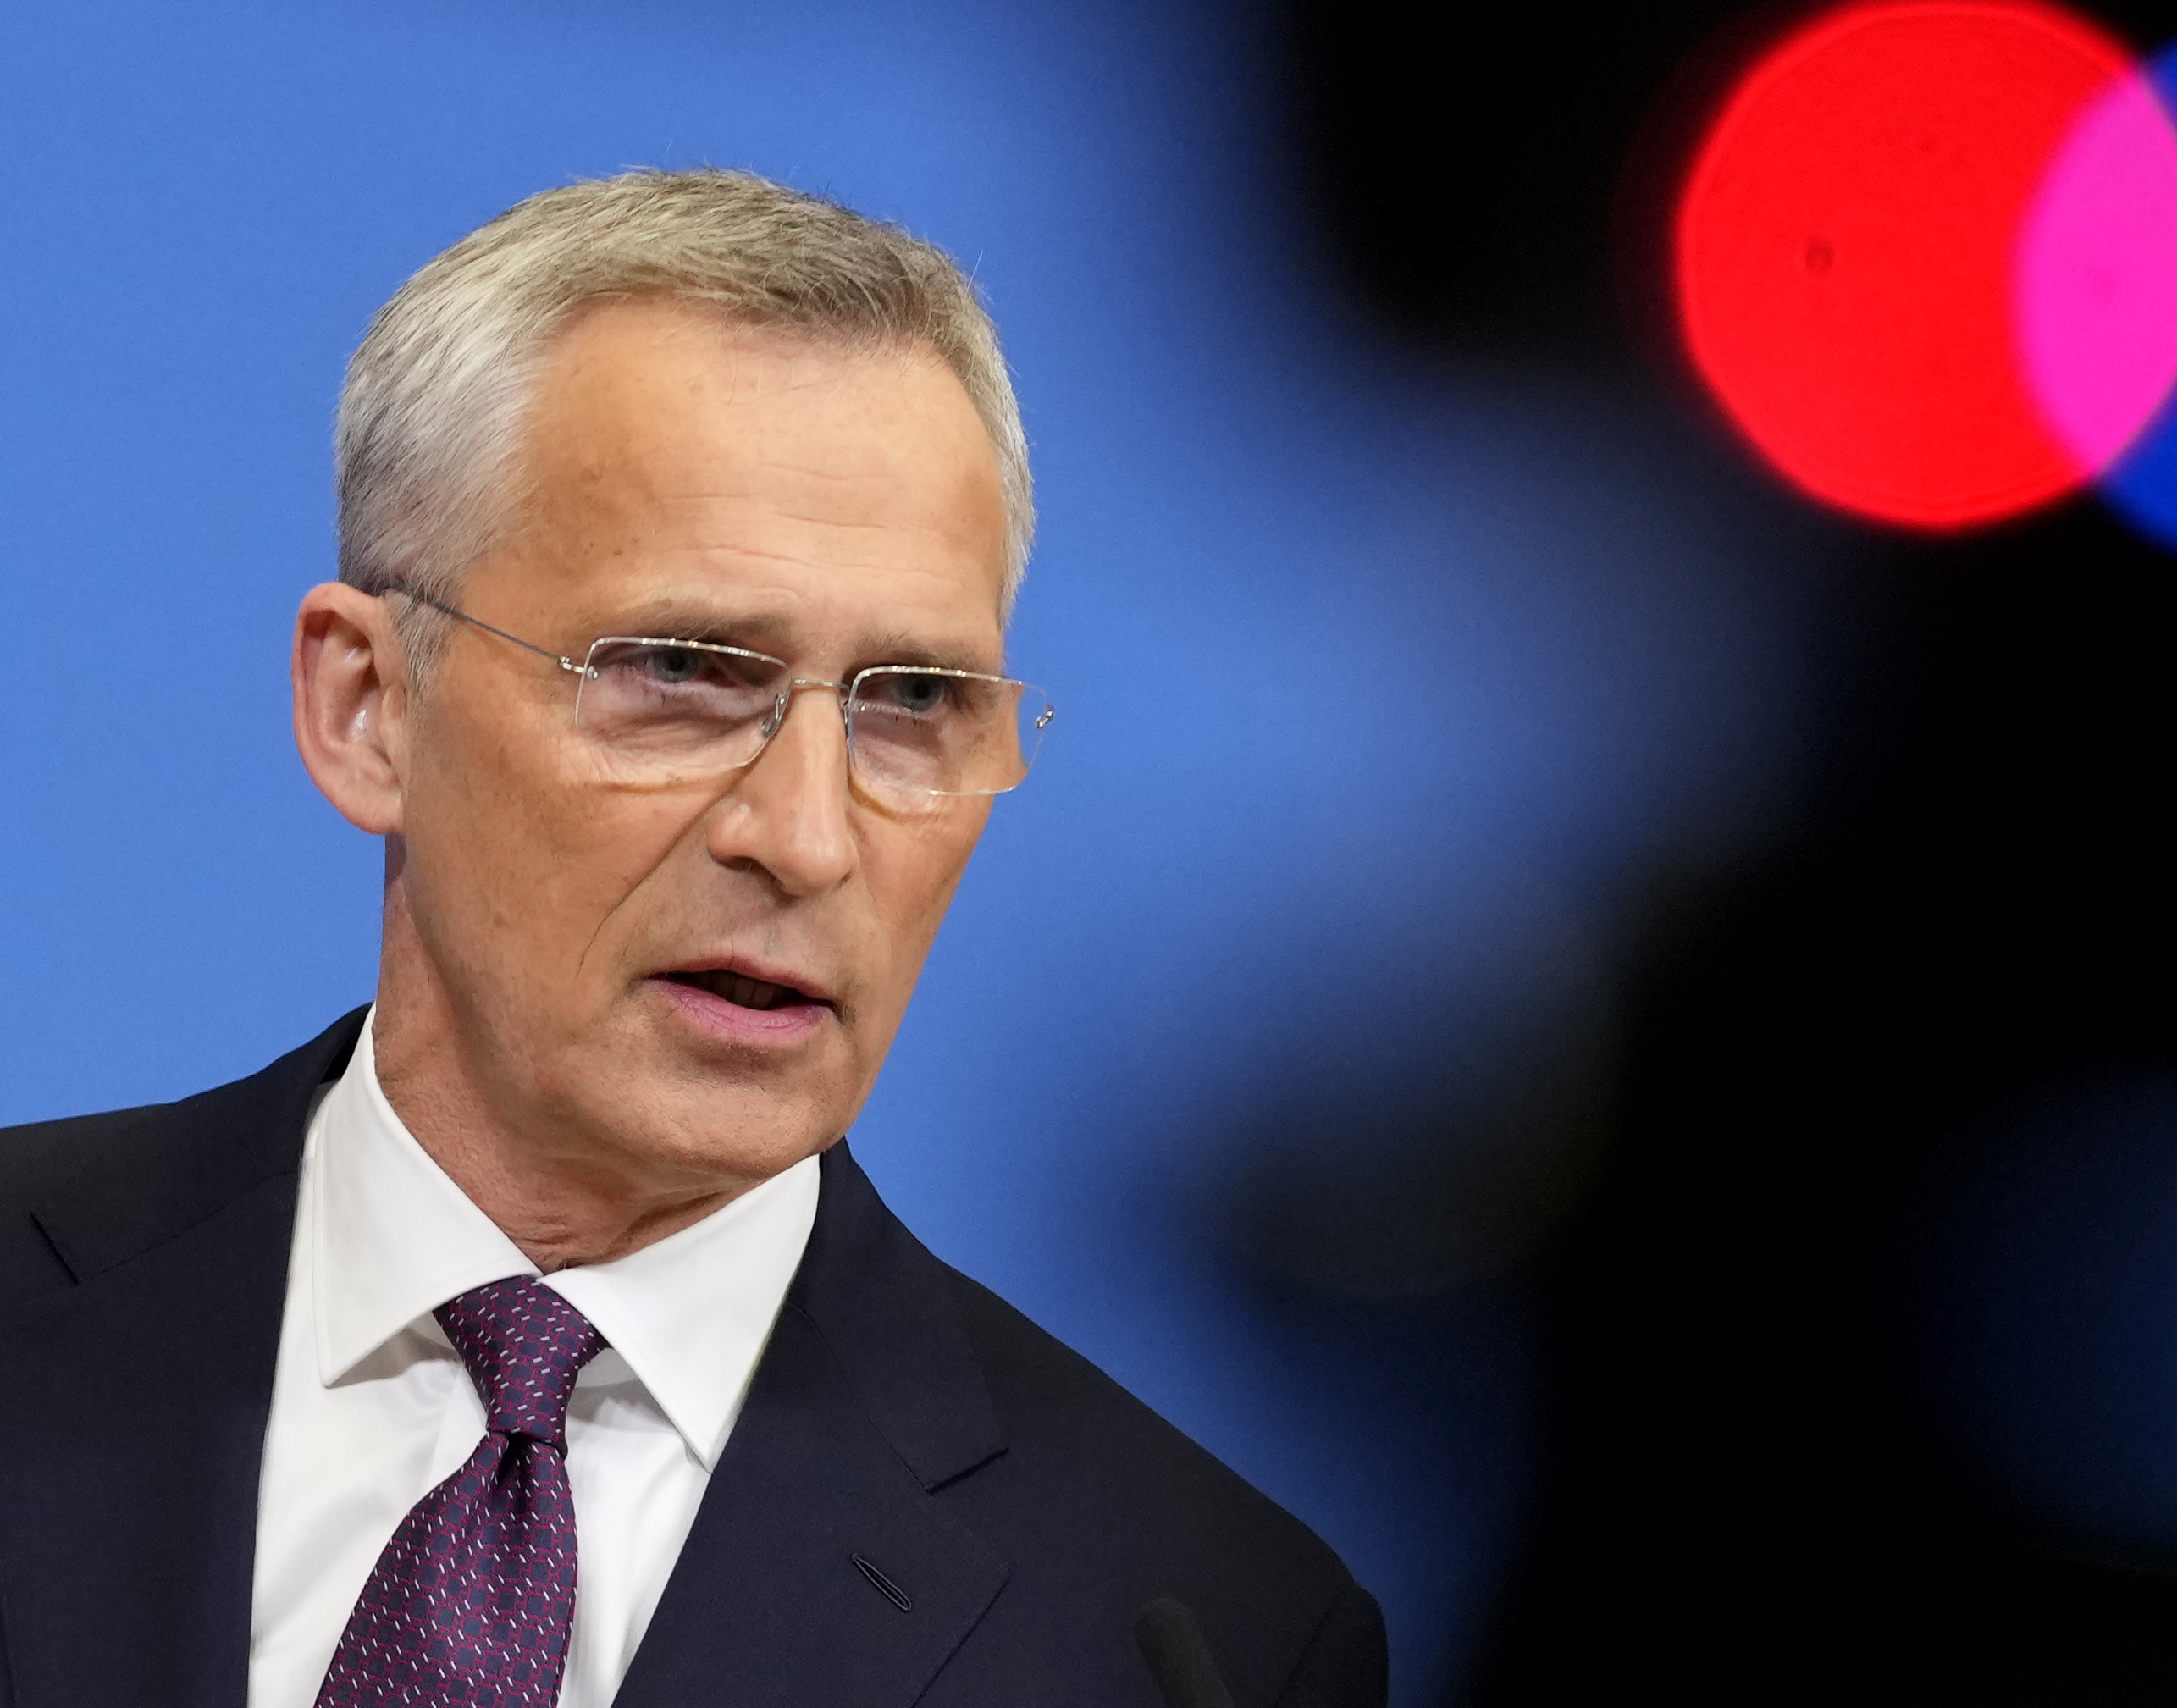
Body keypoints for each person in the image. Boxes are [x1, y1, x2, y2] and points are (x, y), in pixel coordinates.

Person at [0, 170, 1383, 1708]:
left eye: (914, 702)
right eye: (680, 670)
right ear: (367, 707)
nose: (804, 835)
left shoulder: (1187, 1636)